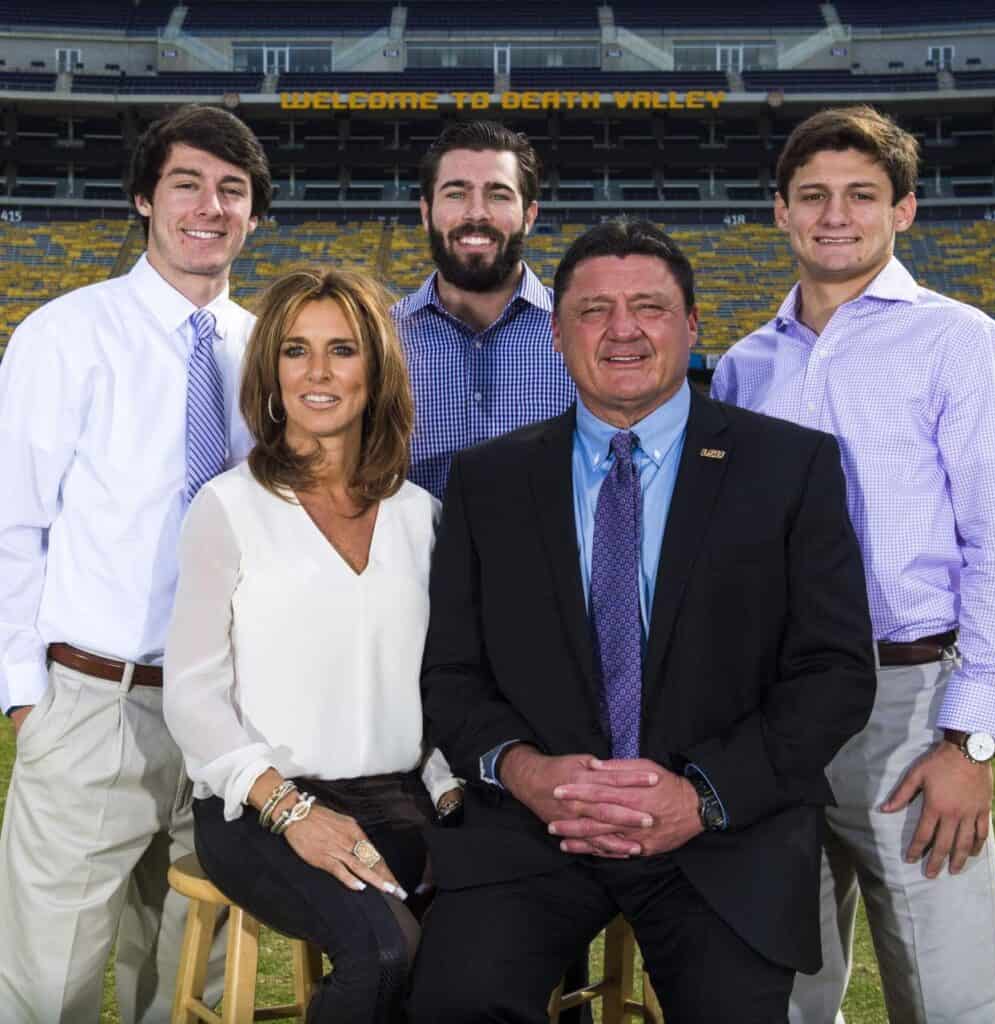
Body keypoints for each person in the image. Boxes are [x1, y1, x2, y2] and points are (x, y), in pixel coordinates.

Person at [407, 219, 877, 1023]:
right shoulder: (489, 480)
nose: (621, 330)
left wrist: (701, 797)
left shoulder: (792, 466)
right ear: (557, 335)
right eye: (593, 311)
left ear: (693, 325)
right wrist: (527, 773)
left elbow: (834, 673)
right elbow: (451, 672)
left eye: (649, 308)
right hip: (536, 827)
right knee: (457, 1003)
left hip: (722, 829)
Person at [711, 105, 995, 1024]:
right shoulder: (742, 367)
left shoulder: (962, 342)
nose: (834, 215)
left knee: (948, 990)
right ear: (779, 212)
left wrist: (969, 739)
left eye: (860, 195)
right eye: (812, 196)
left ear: (905, 211)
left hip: (908, 701)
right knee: (786, 983)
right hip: (769, 708)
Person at [0, 104, 270, 1023]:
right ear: (143, 200)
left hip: (228, 711)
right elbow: (12, 524)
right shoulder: (65, 334)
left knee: (187, 979)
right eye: (187, 183)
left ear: (254, 215)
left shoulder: (268, 349)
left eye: (232, 190)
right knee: (51, 985)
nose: (210, 206)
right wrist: (24, 697)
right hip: (94, 700)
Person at [163, 265, 462, 1023]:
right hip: (260, 808)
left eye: (343, 350)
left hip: (397, 801)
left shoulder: (421, 516)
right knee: (385, 955)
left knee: (499, 940)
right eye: (296, 351)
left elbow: (436, 683)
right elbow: (193, 694)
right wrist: (291, 811)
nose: (318, 373)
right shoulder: (229, 506)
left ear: (378, 371)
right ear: (271, 373)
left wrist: (452, 785)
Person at [392, 119, 574, 500]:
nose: (476, 214)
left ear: (530, 214)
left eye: (499, 195)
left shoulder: (584, 332)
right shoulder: (379, 336)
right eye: (456, 194)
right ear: (426, 212)